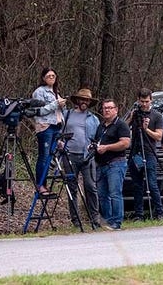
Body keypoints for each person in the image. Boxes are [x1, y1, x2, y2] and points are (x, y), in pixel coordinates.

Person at [62, 88, 103, 228]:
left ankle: (95, 219)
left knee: (91, 187)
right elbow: (57, 131)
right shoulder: (67, 115)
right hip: (69, 156)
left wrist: (94, 147)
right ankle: (76, 220)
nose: (84, 102)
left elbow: (99, 138)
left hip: (87, 157)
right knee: (71, 188)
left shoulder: (94, 119)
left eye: (87, 100)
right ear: (77, 100)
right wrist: (59, 143)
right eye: (82, 99)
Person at [127, 88, 163, 220]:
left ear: (151, 100)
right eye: (142, 101)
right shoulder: (135, 114)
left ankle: (159, 212)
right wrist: (131, 118)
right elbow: (124, 129)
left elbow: (159, 136)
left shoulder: (156, 116)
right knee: (137, 185)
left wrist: (146, 129)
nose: (144, 104)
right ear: (138, 100)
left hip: (149, 152)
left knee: (152, 184)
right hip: (135, 152)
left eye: (147, 101)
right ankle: (139, 214)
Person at [94, 99, 130, 230]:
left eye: (110, 108)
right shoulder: (101, 126)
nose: (107, 110)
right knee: (102, 194)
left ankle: (117, 222)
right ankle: (107, 221)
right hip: (101, 164)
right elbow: (98, 142)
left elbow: (125, 143)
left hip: (116, 163)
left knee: (115, 193)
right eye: (104, 108)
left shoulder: (121, 125)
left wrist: (107, 147)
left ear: (116, 110)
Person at [31, 67, 66, 193]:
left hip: (57, 127)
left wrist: (61, 104)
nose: (51, 78)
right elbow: (39, 111)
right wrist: (56, 104)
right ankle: (40, 185)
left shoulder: (56, 92)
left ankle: (46, 184)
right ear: (43, 78)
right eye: (48, 76)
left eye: (53, 76)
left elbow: (59, 112)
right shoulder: (39, 92)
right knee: (44, 157)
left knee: (52, 156)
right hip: (45, 127)